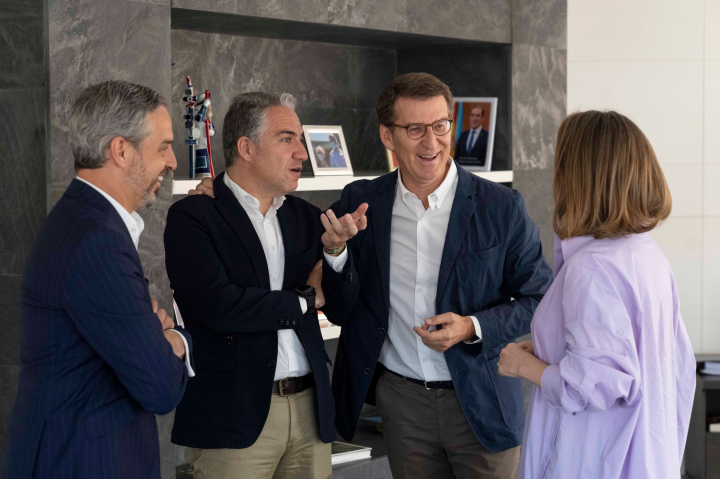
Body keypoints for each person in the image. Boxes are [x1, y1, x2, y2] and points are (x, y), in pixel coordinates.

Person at [325, 72, 553, 479]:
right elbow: (341, 309)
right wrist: (336, 253)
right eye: (415, 128)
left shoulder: (501, 206)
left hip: (483, 402)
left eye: (441, 126)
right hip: (403, 404)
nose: (431, 142)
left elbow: (539, 300)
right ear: (388, 136)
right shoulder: (361, 202)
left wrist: (472, 327)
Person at [166, 92, 367, 479]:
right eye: (287, 139)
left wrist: (336, 252)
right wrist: (305, 300)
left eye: (301, 140)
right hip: (233, 415)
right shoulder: (192, 217)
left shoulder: (308, 217)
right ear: (246, 148)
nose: (302, 153)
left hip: (311, 414)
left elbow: (342, 310)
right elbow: (220, 308)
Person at [4, 80, 193, 479]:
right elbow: (160, 388)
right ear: (121, 150)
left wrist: (153, 339)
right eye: (163, 146)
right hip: (86, 462)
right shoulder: (97, 241)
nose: (173, 161)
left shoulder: (82, 219)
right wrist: (176, 341)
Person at [498, 110, 696, 479]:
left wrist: (522, 365)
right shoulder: (645, 253)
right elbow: (670, 367)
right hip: (646, 458)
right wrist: (550, 352)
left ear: (578, 177)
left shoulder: (592, 267)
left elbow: (593, 385)